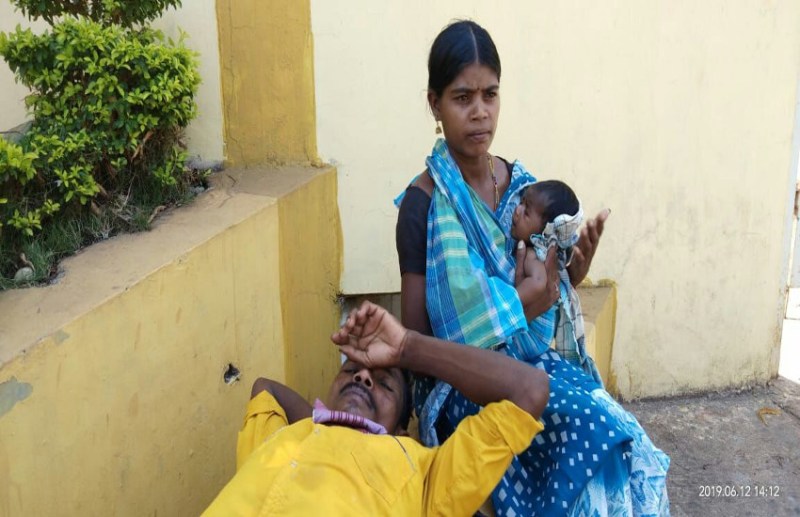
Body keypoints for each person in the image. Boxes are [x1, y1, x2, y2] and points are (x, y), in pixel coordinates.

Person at [395, 20, 670, 516]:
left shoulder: (523, 191)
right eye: (462, 98)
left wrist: (575, 270)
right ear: (434, 104)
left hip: (534, 365)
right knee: (586, 444)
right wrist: (521, 301)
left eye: (490, 94)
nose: (480, 112)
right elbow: (416, 345)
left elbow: (550, 287)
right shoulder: (424, 205)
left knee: (622, 440)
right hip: (465, 387)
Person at [203, 301, 551, 516]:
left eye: (385, 384)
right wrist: (328, 422)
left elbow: (529, 389)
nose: (364, 378)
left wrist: (406, 347)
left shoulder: (427, 474)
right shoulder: (279, 436)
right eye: (351, 372)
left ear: (402, 427)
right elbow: (265, 387)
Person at [511, 180, 603, 384]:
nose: (517, 210)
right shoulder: (553, 251)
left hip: (532, 339)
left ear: (545, 229)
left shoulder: (536, 254)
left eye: (526, 212)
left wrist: (508, 302)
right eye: (522, 203)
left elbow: (537, 283)